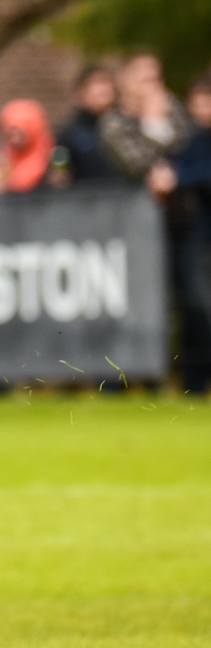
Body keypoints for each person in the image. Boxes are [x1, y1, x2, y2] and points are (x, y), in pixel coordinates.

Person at [103, 53, 192, 198]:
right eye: (146, 80)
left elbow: (187, 147)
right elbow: (138, 165)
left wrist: (174, 173)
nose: (154, 87)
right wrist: (153, 124)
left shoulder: (174, 108)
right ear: (125, 82)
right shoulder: (114, 123)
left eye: (157, 79)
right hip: (130, 204)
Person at [171, 75, 211, 393]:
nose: (199, 108)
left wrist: (179, 178)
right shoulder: (194, 140)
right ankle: (194, 382)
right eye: (195, 101)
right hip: (201, 232)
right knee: (195, 306)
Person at [0, 99, 55, 196]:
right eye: (10, 133)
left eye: (20, 133)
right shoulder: (3, 157)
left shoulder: (51, 161)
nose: (15, 139)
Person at [56, 66, 123, 184]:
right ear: (80, 93)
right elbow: (59, 172)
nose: (102, 89)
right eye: (95, 84)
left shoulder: (127, 126)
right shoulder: (69, 133)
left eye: (105, 82)